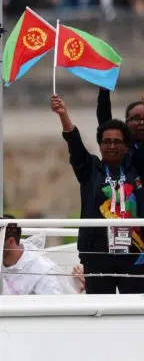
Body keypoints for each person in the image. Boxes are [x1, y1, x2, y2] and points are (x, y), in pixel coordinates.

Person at [51, 95, 144, 293]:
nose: (112, 146)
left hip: (135, 253)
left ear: (126, 146)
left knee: (135, 310)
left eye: (117, 142)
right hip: (97, 255)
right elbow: (74, 142)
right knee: (100, 309)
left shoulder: (137, 167)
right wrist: (63, 114)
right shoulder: (90, 169)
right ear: (100, 145)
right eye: (107, 141)